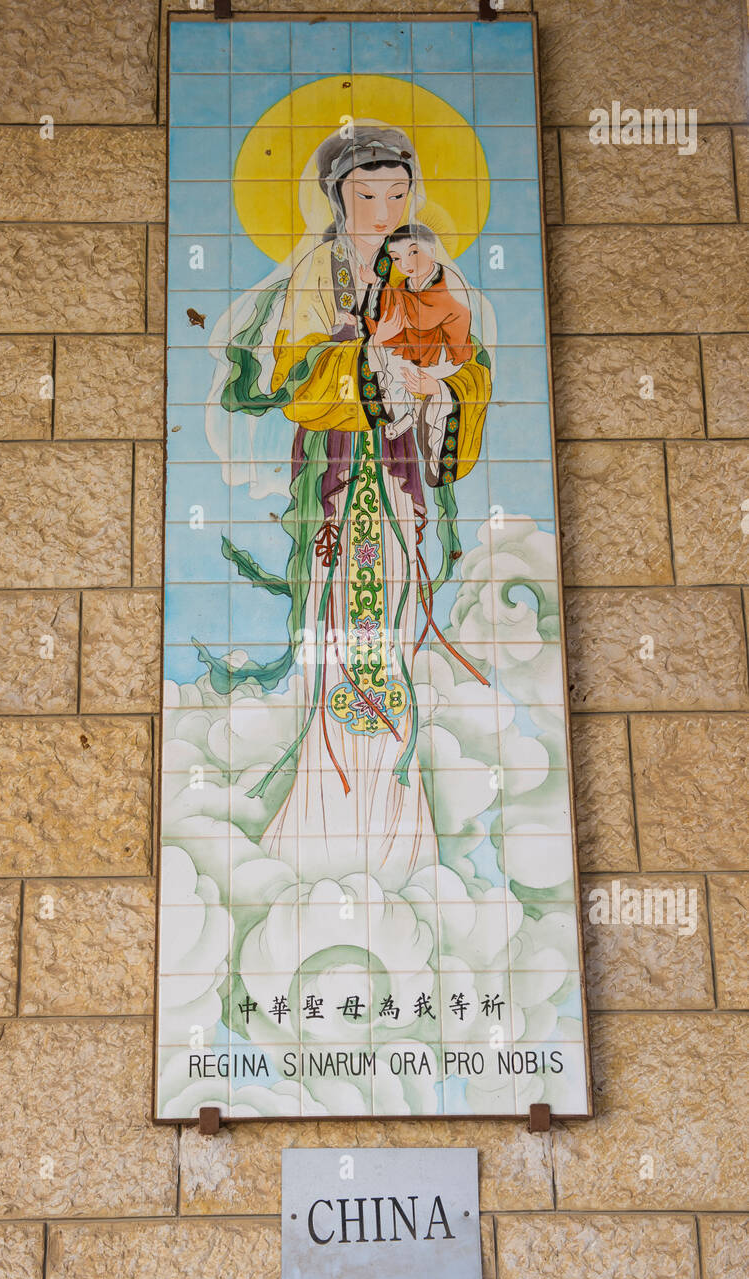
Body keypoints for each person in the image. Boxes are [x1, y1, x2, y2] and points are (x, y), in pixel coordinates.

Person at [199, 123, 493, 887]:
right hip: (335, 482)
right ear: (336, 198)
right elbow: (292, 377)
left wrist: (438, 385)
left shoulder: (428, 269)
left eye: (399, 194)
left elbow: (469, 367)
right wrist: (364, 351)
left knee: (391, 626)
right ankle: (327, 810)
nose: (385, 209)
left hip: (399, 484)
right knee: (335, 634)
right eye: (367, 195)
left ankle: (398, 812)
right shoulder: (314, 274)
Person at [361, 223, 474, 482]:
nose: (405, 263)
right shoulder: (410, 283)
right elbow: (399, 311)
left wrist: (378, 284)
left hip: (447, 356)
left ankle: (411, 416)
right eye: (397, 258)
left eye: (413, 253)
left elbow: (421, 314)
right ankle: (407, 415)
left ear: (432, 251)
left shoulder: (449, 282)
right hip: (423, 348)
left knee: (403, 373)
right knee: (380, 351)